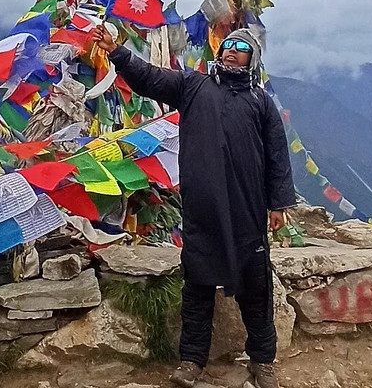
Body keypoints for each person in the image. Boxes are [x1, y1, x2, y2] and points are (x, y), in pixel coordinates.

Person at [92, 24, 296, 388]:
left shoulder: (261, 101)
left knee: (256, 288)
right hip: (202, 208)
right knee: (198, 287)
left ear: (253, 58)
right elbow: (149, 78)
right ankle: (191, 361)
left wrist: (278, 203)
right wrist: (118, 51)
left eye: (240, 47)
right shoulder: (193, 86)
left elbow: (278, 156)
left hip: (247, 209)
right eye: (227, 45)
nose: (230, 50)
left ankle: (263, 361)